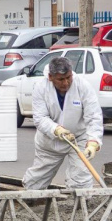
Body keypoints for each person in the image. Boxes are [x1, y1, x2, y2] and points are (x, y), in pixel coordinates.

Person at [23, 57, 104, 190]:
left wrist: (93, 142)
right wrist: (56, 129)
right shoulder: (41, 88)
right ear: (50, 77)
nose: (66, 83)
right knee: (35, 181)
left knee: (80, 177)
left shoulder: (82, 86)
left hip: (78, 138)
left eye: (68, 77)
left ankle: (81, 206)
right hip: (50, 140)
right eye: (61, 79)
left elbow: (94, 116)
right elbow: (40, 118)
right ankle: (30, 200)